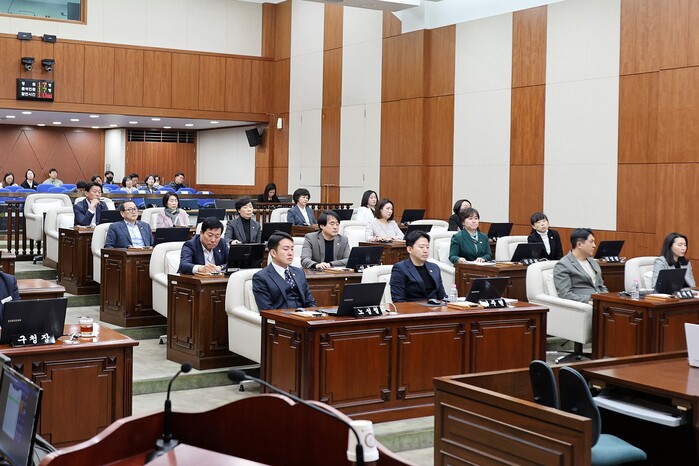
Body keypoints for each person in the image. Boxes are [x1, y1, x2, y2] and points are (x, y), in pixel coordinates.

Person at [252, 231, 316, 310]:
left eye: (292, 249)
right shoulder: (261, 277)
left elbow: (310, 302)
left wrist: (314, 314)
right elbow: (266, 309)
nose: (290, 253)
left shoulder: (299, 272)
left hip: (304, 315)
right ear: (273, 253)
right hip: (280, 316)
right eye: (286, 249)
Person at [553, 228, 608, 304]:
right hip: (584, 304)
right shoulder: (563, 265)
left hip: (601, 302)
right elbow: (565, 294)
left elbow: (601, 286)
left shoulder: (593, 262)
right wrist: (589, 301)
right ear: (579, 244)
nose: (594, 246)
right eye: (591, 242)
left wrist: (607, 299)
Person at [390, 231, 447, 303]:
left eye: (427, 247)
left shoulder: (434, 267)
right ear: (409, 249)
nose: (425, 251)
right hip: (413, 308)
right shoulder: (400, 269)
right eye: (421, 247)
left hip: (436, 308)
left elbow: (442, 296)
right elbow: (398, 300)